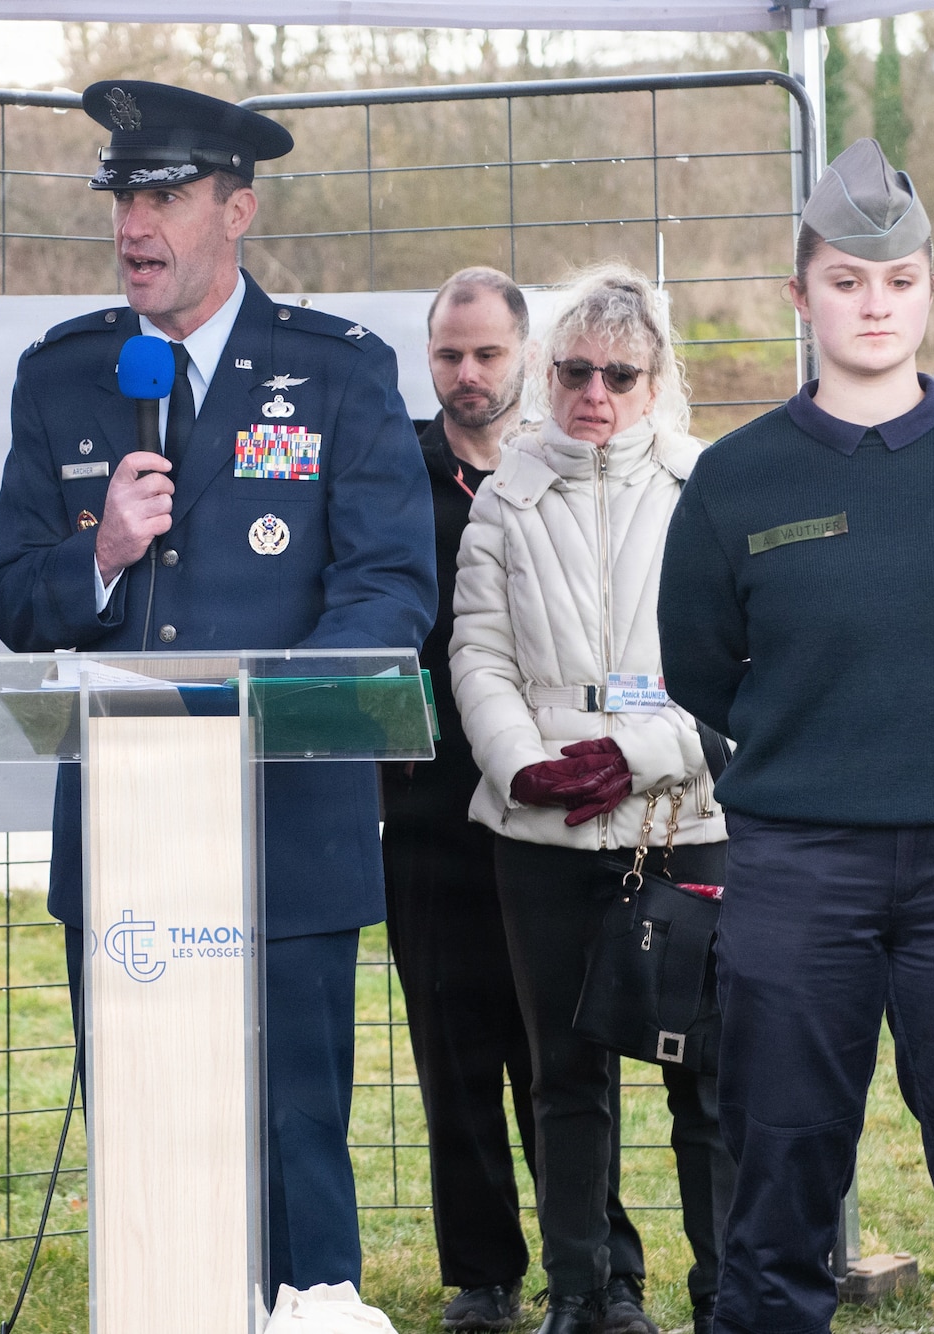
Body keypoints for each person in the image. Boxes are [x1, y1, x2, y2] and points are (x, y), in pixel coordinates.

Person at [0, 81, 437, 1299]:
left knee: (294, 1131)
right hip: (131, 825)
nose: (135, 222)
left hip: (284, 820)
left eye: (165, 195)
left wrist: (283, 702)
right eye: (123, 196)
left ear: (236, 210)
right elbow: (14, 596)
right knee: (146, 1129)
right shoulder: (66, 375)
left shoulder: (335, 373)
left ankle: (305, 1314)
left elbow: (390, 584)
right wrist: (103, 554)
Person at [659, 139, 934, 1334]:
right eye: (845, 280)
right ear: (795, 295)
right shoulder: (732, 479)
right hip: (798, 864)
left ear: (927, 291)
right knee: (779, 1177)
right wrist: (819, 738)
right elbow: (698, 662)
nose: (873, 304)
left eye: (897, 281)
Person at [448, 262, 733, 1334]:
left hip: (682, 815)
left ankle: (726, 1290)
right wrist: (518, 760)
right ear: (546, 372)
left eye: (619, 372)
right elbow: (474, 648)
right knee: (562, 1073)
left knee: (702, 1075)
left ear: (654, 378)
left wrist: (642, 751)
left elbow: (741, 660)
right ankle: (584, 1293)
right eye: (573, 369)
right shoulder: (505, 496)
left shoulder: (707, 493)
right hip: (541, 827)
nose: (593, 392)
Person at [384, 265, 535, 1333]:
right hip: (428, 812)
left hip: (550, 808)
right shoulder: (391, 469)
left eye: (485, 353)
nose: (466, 373)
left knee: (560, 1051)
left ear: (522, 351)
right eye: (448, 353)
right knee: (453, 1051)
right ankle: (480, 1274)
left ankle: (597, 1263)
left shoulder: (559, 466)